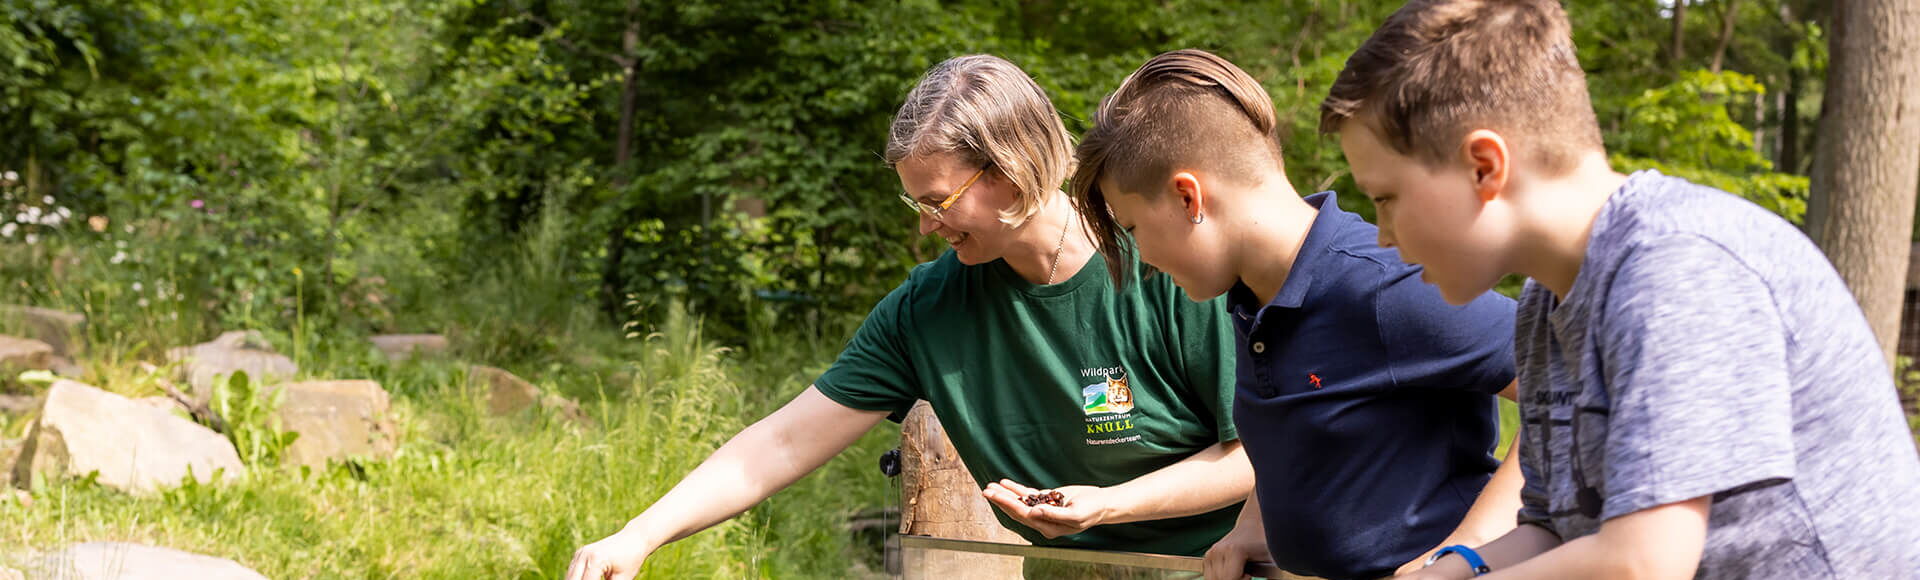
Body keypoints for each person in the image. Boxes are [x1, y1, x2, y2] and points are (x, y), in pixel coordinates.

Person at [564, 54, 1252, 580]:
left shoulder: (1167, 264)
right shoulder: (927, 308)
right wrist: (639, 535)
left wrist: (1110, 504)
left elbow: (1250, 453)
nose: (926, 228)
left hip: (1217, 564)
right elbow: (778, 444)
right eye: (915, 205)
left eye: (938, 202)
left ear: (1010, 172)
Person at [1318, 1, 1920, 578]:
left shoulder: (1675, 265)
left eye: (1386, 199)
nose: (1384, 237)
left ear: (1484, 167)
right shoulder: (1544, 303)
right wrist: (1452, 569)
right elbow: (1554, 527)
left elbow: (1642, 563)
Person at [1069, 49, 1523, 580]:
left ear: (1188, 197)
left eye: (1133, 228)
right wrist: (1250, 527)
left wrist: (1464, 553)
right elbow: (1302, 435)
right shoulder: (1246, 297)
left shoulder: (1383, 288)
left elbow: (1569, 378)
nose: (1141, 256)